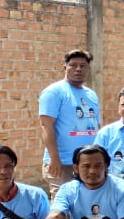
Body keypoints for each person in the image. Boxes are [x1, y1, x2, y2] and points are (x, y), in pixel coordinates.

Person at [40, 49, 101, 195]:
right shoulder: (54, 92)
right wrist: (54, 158)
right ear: (65, 67)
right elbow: (46, 127)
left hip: (88, 162)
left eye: (83, 65)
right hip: (64, 162)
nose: (78, 69)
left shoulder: (91, 95)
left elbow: (97, 127)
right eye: (73, 65)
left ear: (88, 68)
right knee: (63, 203)